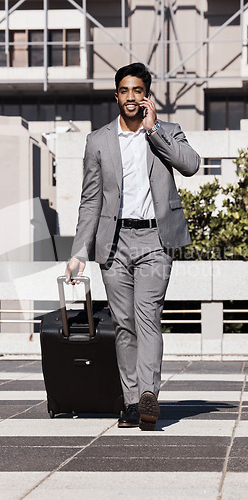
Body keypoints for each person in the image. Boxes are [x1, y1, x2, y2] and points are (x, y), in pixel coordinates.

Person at [65, 62, 200, 430]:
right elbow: (90, 199)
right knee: (124, 324)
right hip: (114, 242)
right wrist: (79, 251)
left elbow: (190, 165)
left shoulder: (168, 131)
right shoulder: (98, 140)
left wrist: (154, 129)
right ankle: (130, 403)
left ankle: (148, 397)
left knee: (148, 316)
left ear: (146, 95)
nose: (130, 97)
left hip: (156, 240)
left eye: (137, 90)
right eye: (124, 91)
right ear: (116, 95)